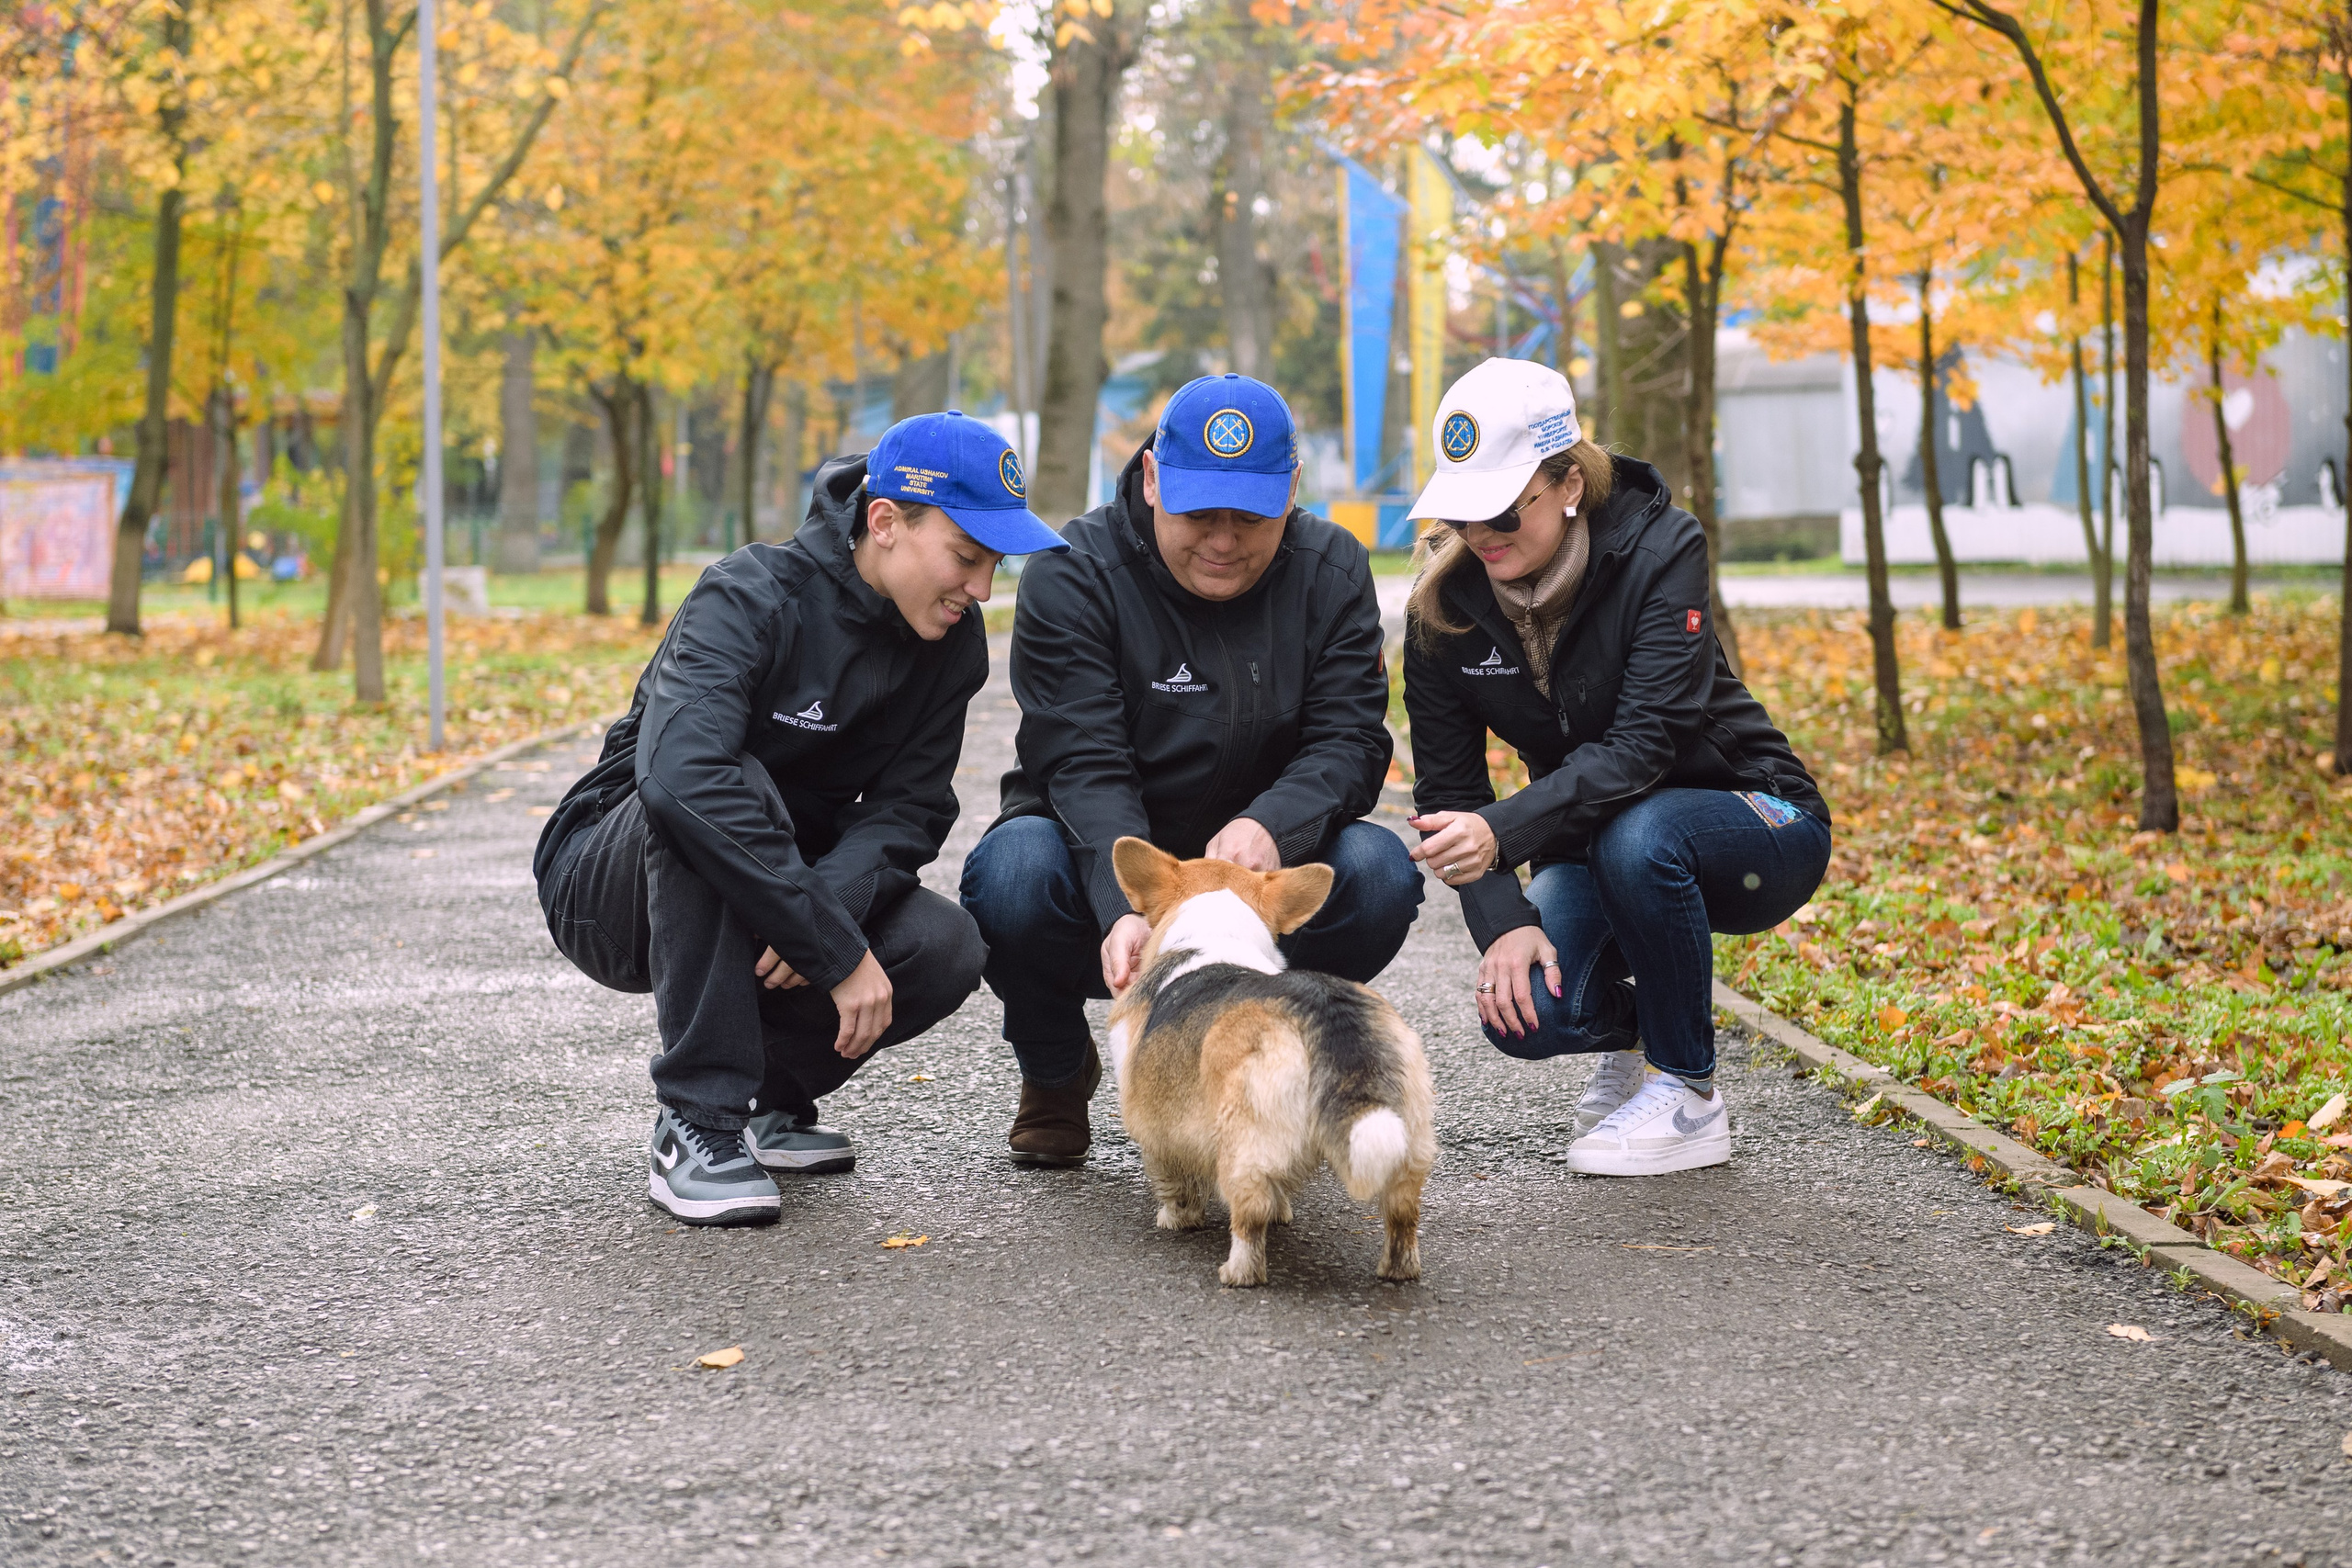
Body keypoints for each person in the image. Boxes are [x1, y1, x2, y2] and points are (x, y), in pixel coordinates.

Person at [535, 411, 1069, 1224]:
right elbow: (683, 780)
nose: (983, 588)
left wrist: (825, 907)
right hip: (611, 874)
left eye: (994, 563)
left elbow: (911, 808)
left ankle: (763, 1103)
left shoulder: (949, 646)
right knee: (722, 792)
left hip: (776, 876)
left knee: (944, 943)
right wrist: (824, 933)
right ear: (886, 521)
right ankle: (697, 1122)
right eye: (966, 557)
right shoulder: (748, 594)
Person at [960, 374, 1424, 1165]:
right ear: (1150, 479)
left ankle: (1281, 1058)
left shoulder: (1335, 569)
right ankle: (1053, 1068)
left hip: (1255, 866)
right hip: (1102, 849)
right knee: (1009, 874)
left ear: (1292, 494)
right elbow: (1080, 757)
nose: (1222, 538)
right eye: (1198, 512)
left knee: (1378, 872)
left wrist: (1273, 825)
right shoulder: (1072, 571)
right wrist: (1124, 901)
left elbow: (1350, 739)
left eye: (1250, 516)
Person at [1400, 358, 1831, 1177]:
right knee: (1525, 1013)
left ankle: (1690, 1094)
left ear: (1566, 483)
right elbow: (1449, 793)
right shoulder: (1442, 609)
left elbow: (1647, 746)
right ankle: (1642, 1041)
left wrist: (1501, 830)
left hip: (1758, 821)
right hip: (1595, 842)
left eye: (1500, 508)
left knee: (1643, 832)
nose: (1482, 535)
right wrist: (1505, 919)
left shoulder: (1663, 547)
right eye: (1461, 512)